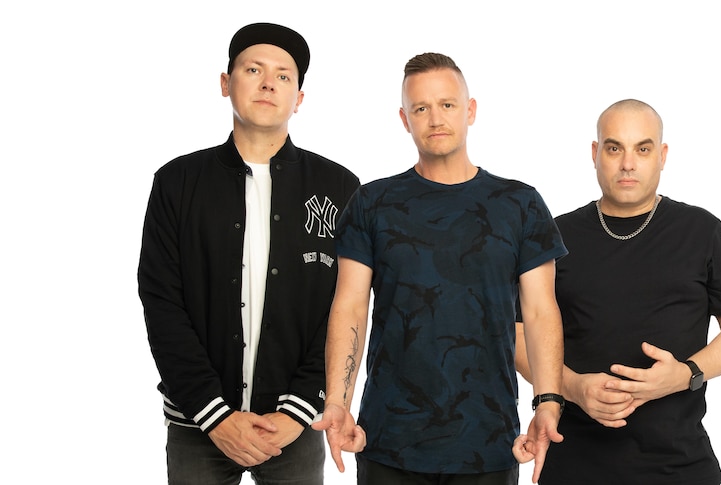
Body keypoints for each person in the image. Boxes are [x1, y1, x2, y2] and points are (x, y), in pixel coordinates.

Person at [309, 52, 567, 484]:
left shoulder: (519, 204)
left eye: (447, 104)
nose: (435, 118)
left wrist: (548, 402)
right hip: (390, 437)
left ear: (470, 111)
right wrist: (337, 401)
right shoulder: (373, 203)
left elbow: (540, 312)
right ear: (404, 119)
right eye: (420, 108)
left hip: (487, 440)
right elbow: (351, 305)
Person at [137, 22, 360, 484]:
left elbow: (345, 308)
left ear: (299, 97)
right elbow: (161, 302)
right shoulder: (177, 183)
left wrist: (298, 410)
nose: (267, 83)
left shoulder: (338, 188)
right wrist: (214, 415)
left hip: (293, 425)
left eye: (283, 76)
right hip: (196, 422)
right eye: (253, 69)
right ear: (226, 83)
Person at [514, 99, 721, 484]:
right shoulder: (555, 236)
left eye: (642, 149)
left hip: (680, 466)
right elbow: (516, 333)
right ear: (595, 154)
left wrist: (686, 374)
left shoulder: (701, 230)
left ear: (661, 156)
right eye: (614, 148)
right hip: (575, 464)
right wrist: (573, 387)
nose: (627, 163)